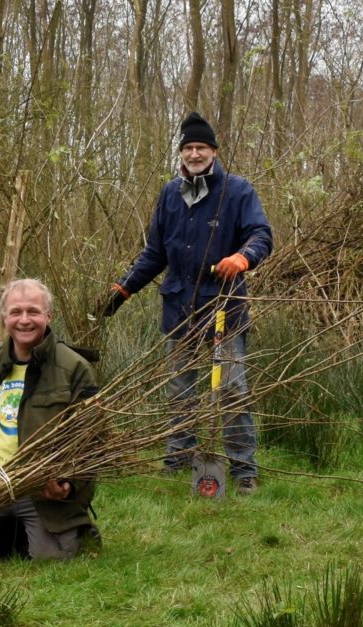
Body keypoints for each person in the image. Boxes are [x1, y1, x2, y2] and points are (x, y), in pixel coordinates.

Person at [102, 112, 273, 493]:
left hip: (224, 308)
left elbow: (262, 233)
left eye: (201, 147)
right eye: (188, 148)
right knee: (180, 389)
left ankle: (245, 469)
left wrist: (243, 257)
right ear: (181, 153)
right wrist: (124, 289)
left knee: (231, 387)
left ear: (213, 151)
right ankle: (178, 457)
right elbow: (154, 253)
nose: (195, 154)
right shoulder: (170, 194)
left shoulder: (237, 190)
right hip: (180, 307)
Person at [0, 279, 101, 559]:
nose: (24, 320)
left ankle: (75, 529)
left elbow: (93, 441)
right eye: (15, 312)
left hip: (41, 493)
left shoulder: (74, 368)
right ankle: (12, 529)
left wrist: (67, 482)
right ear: (4, 317)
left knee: (51, 558)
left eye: (33, 311)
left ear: (48, 316)